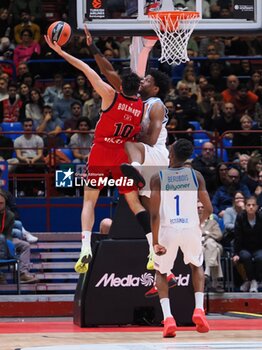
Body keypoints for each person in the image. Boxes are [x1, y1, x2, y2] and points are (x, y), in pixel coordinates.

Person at [45, 35, 149, 275]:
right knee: (134, 203)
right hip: (122, 157)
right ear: (138, 89)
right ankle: (152, 246)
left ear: (121, 87)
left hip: (101, 154)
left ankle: (84, 246)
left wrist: (61, 52)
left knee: (89, 201)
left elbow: (86, 68)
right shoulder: (142, 106)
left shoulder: (110, 95)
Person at [83, 26, 170, 270]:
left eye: (148, 80)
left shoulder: (156, 104)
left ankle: (134, 171)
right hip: (142, 159)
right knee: (141, 207)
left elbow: (150, 139)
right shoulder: (133, 99)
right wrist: (92, 46)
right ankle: (156, 249)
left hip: (153, 154)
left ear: (155, 89)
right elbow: (108, 70)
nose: (143, 81)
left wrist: (129, 132)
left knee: (128, 143)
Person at [151, 139, 213, 337]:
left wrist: (154, 241)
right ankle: (199, 310)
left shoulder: (158, 177)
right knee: (196, 266)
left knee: (161, 273)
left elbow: (154, 215)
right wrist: (198, 223)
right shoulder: (196, 176)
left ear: (171, 154)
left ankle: (168, 318)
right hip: (190, 228)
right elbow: (209, 209)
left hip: (168, 229)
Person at [232, 196, 262, 293]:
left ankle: (252, 281)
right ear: (245, 206)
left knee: (260, 257)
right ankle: (252, 281)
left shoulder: (261, 217)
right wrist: (235, 253)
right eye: (248, 205)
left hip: (259, 247)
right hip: (244, 247)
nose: (251, 207)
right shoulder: (240, 217)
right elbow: (237, 236)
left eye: (253, 205)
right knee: (245, 256)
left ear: (257, 207)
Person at [198, 201, 224, 293]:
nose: (200, 209)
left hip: (212, 245)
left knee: (210, 243)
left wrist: (206, 235)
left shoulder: (212, 223)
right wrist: (209, 234)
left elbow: (219, 235)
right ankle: (216, 282)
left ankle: (207, 271)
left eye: (202, 207)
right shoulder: (193, 224)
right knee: (214, 249)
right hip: (200, 248)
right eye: (198, 208)